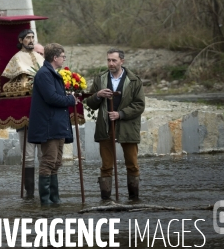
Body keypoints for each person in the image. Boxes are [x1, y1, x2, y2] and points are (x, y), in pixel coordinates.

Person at [85, 49, 145, 200]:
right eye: (108, 60)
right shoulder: (100, 78)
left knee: (132, 164)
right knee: (106, 166)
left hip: (128, 127)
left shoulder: (134, 80)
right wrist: (98, 96)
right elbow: (90, 103)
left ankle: (134, 199)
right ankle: (106, 200)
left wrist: (121, 114)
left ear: (122, 61)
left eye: (114, 60)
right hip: (105, 126)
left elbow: (139, 105)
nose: (111, 63)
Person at [28, 43, 76, 205]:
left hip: (56, 125)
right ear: (55, 58)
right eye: (63, 56)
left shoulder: (52, 73)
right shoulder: (44, 74)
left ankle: (54, 199)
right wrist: (70, 100)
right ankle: (45, 201)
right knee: (48, 162)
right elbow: (51, 98)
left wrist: (66, 96)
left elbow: (54, 96)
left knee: (56, 162)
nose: (64, 59)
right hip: (49, 126)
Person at [17, 41, 45, 198]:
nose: (39, 56)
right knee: (27, 158)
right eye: (37, 53)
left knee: (44, 157)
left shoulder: (49, 73)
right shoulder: (22, 73)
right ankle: (29, 193)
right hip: (25, 122)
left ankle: (44, 190)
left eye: (42, 54)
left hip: (43, 123)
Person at [1, 29, 44, 96]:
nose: (31, 40)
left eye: (32, 37)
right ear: (21, 40)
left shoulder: (39, 56)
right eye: (28, 37)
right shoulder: (17, 57)